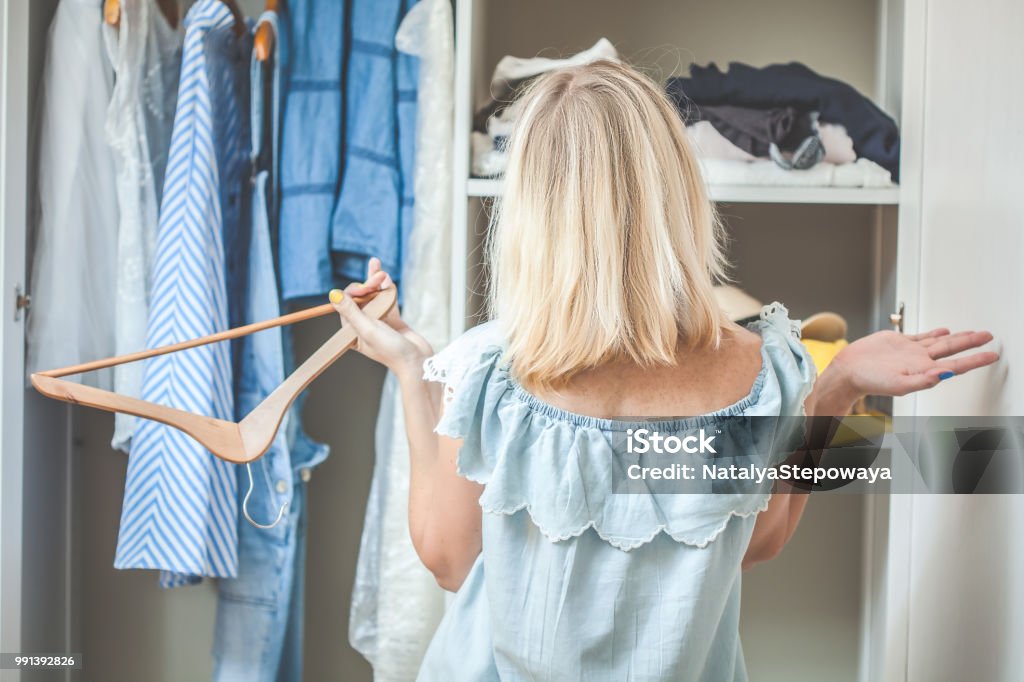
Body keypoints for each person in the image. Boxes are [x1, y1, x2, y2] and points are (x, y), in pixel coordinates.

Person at [330, 61, 998, 681]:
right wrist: (837, 385)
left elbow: (451, 561)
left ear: (530, 213)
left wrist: (415, 372)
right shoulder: (764, 373)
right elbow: (755, 543)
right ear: (675, 193)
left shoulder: (489, 371)